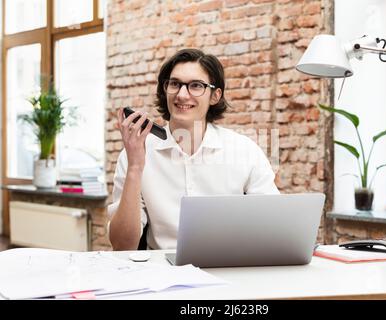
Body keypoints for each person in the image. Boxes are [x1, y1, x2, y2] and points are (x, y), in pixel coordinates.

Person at [108, 48, 279, 251]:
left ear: (215, 96)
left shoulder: (245, 151)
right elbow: (122, 246)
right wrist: (135, 167)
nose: (182, 94)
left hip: (228, 269)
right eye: (174, 84)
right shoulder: (135, 153)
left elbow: (273, 228)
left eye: (196, 86)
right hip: (163, 273)